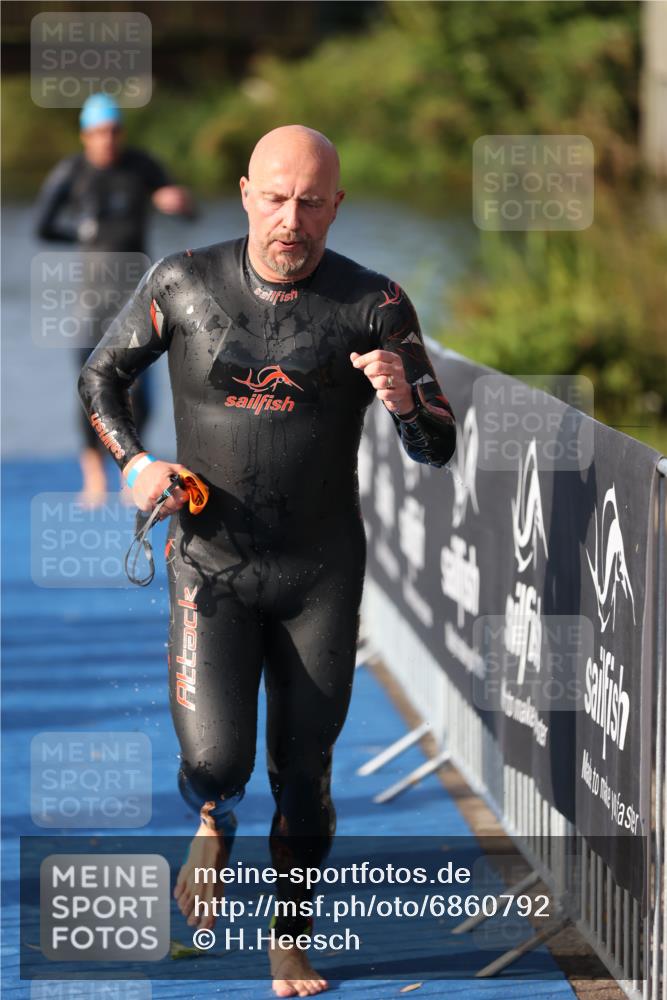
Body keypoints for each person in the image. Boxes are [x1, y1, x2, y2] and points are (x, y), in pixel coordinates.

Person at [78, 125, 456, 997]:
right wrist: (135, 464)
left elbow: (437, 446)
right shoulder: (182, 281)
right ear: (247, 192)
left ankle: (290, 936)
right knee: (217, 763)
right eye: (276, 198)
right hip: (210, 566)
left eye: (312, 202)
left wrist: (404, 404)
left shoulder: (376, 304)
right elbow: (101, 377)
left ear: (336, 205)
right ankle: (211, 814)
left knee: (305, 774)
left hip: (318, 575)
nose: (292, 219)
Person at [34, 92, 195, 506]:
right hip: (91, 299)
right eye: (99, 132)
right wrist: (82, 235)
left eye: (113, 131)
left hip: (136, 297)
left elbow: (188, 210)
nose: (107, 140)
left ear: (121, 133)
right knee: (90, 387)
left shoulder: (141, 166)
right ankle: (93, 478)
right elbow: (42, 226)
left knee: (141, 393)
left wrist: (177, 204)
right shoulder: (71, 172)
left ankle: (132, 470)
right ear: (86, 135)